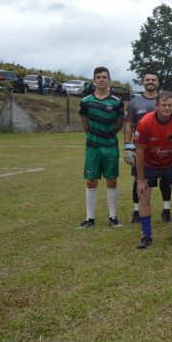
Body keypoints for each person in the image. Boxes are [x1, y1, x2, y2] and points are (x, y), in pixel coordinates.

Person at [133, 91, 172, 248]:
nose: (167, 108)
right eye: (163, 105)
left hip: (171, 163)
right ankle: (146, 237)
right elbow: (139, 152)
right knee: (144, 195)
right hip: (149, 163)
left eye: (170, 105)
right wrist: (141, 179)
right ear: (156, 105)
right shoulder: (145, 122)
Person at [77, 67, 125, 229]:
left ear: (109, 80)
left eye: (104, 77)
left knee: (111, 180)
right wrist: (94, 137)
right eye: (98, 77)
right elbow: (85, 123)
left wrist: (108, 136)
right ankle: (89, 218)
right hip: (93, 147)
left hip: (110, 146)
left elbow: (119, 123)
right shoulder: (86, 101)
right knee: (91, 181)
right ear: (94, 80)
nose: (101, 80)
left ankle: (113, 217)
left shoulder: (117, 101)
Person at [124, 71, 171, 224]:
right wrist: (128, 146)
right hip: (142, 149)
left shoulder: (165, 100)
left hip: (163, 147)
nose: (150, 82)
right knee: (138, 178)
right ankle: (137, 211)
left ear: (158, 83)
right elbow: (129, 125)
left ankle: (166, 210)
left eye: (153, 80)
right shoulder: (134, 102)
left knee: (165, 178)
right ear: (143, 82)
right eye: (147, 79)